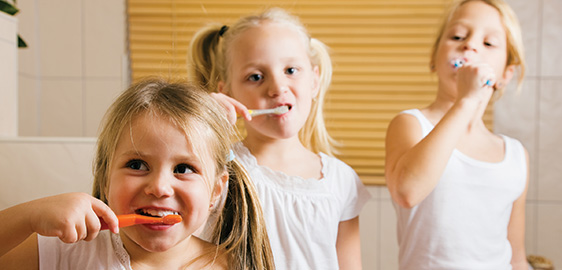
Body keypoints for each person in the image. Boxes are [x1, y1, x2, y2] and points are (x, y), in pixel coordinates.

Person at [0, 78, 274, 270]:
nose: (159, 187)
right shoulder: (63, 252)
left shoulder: (237, 265)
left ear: (215, 191)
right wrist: (29, 216)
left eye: (183, 169)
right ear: (106, 178)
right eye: (137, 165)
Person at [188, 7, 371, 270]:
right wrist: (202, 121)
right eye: (256, 77)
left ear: (314, 81)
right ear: (227, 91)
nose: (277, 88)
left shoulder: (341, 181)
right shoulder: (219, 171)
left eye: (291, 70)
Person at [384, 0, 529, 269]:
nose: (470, 45)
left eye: (488, 43)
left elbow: (517, 257)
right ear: (433, 58)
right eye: (458, 36)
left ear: (506, 74)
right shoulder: (411, 125)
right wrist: (466, 101)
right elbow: (407, 192)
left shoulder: (515, 156)